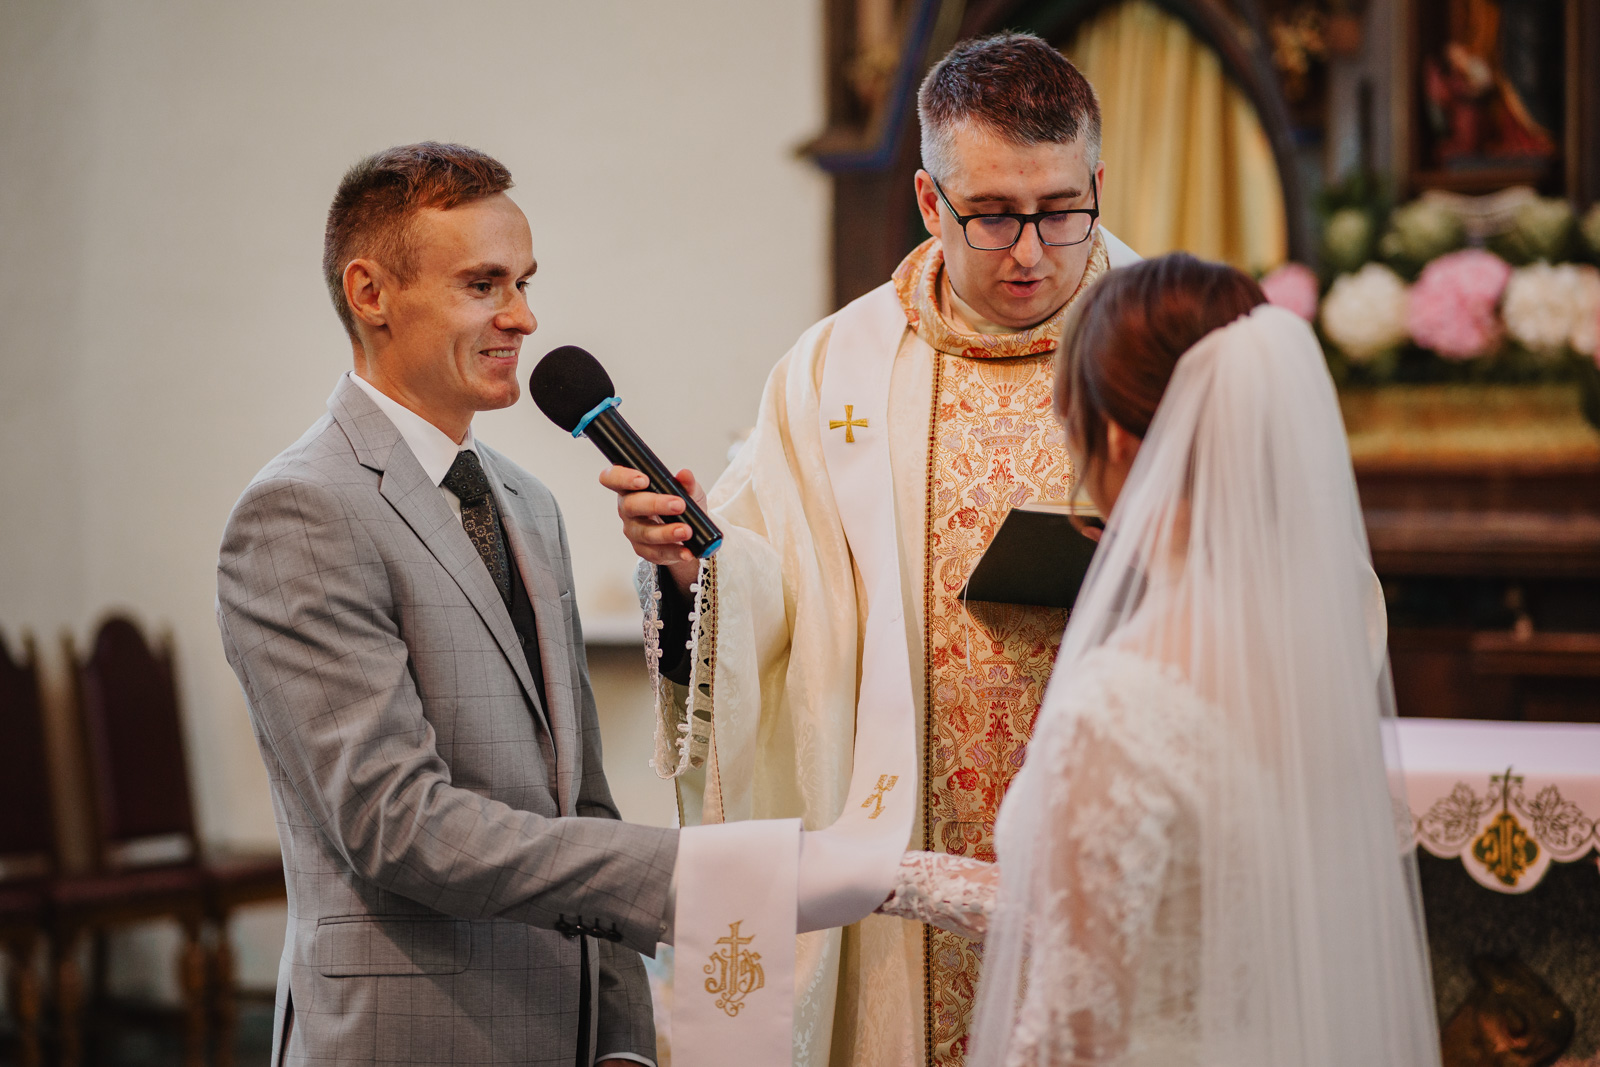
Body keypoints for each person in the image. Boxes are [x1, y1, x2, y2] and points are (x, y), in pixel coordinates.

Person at [604, 33, 1138, 1067]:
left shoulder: (1166, 341)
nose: (1029, 250)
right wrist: (694, 565)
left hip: (1118, 826)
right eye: (989, 214)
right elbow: (769, 591)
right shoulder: (830, 371)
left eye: (1060, 209)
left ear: (1098, 184)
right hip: (908, 866)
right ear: (929, 203)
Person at [878, 254, 1442, 1066]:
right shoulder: (1315, 661)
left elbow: (1069, 1034)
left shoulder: (1124, 703)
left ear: (1109, 434)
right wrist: (916, 880)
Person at [216, 143, 676, 1067]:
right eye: (484, 284)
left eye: (524, 281)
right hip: (412, 1036)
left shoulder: (526, 502)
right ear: (371, 292)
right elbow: (396, 823)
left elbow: (582, 800)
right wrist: (686, 878)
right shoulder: (299, 509)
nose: (523, 315)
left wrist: (623, 1038)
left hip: (568, 1035)